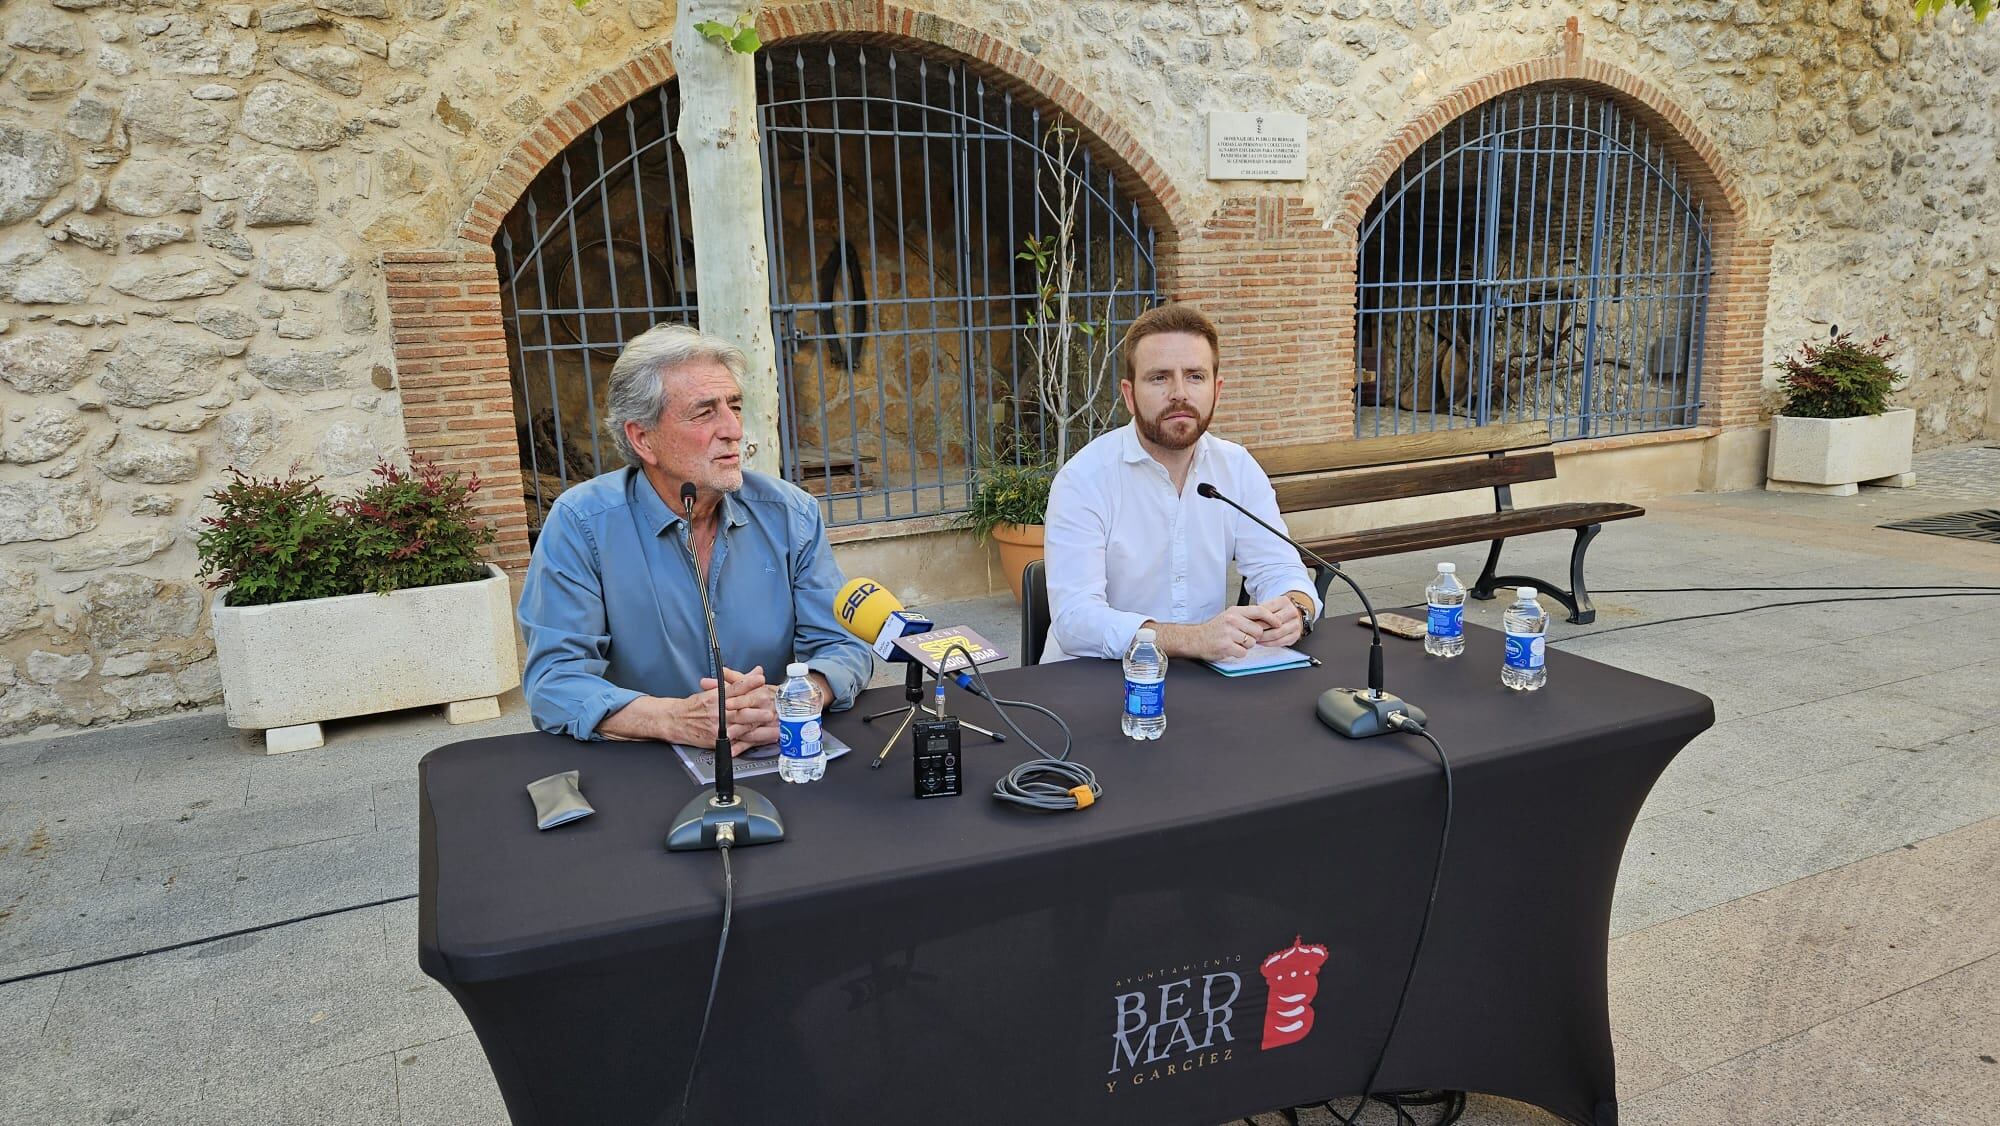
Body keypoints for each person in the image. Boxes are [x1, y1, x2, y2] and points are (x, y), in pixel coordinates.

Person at [518, 323, 872, 747]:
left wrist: (798, 696)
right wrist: (672, 718)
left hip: (771, 747)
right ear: (643, 438)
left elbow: (842, 645)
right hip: (643, 764)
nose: (733, 430)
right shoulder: (582, 523)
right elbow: (554, 683)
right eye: (706, 412)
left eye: (735, 407)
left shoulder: (789, 513)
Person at [1042, 303, 1321, 663]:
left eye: (1195, 376)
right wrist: (1192, 639)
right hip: (1094, 682)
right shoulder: (1083, 480)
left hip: (1206, 680)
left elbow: (1279, 569)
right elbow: (1075, 621)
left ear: (1216, 390)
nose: (1179, 393)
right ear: (1129, 395)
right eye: (1159, 377)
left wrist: (1295, 609)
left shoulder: (1236, 468)